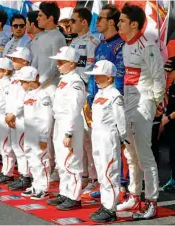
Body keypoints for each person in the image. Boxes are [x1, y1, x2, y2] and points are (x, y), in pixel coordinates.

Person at [116, 4, 166, 220]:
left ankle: (152, 202)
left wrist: (154, 103)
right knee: (130, 154)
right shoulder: (126, 45)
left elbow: (159, 77)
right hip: (128, 103)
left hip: (143, 103)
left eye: (122, 21)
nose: (118, 24)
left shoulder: (149, 45)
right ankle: (135, 196)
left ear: (134, 24)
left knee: (145, 155)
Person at [84, 60, 127, 223]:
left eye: (99, 76)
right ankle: (105, 203)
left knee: (110, 172)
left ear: (109, 78)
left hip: (109, 136)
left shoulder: (114, 95)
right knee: (101, 172)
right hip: (97, 134)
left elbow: (120, 119)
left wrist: (123, 138)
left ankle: (111, 208)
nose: (95, 79)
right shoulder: (100, 93)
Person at [47, 46, 85, 211]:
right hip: (60, 121)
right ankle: (65, 192)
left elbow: (74, 109)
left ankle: (74, 197)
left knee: (71, 162)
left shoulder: (75, 81)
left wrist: (69, 132)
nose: (57, 65)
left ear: (71, 63)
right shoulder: (65, 79)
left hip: (70, 123)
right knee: (62, 162)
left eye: (61, 62)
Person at [69, 7, 100, 197]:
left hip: (85, 93)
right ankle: (85, 176)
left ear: (84, 23)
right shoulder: (73, 42)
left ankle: (95, 179)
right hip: (73, 92)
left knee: (90, 139)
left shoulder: (92, 41)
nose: (70, 24)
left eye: (73, 21)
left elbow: (89, 72)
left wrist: (88, 96)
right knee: (79, 138)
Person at [19, 66, 56, 200]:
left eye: (22, 81)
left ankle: (43, 188)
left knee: (42, 160)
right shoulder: (28, 94)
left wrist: (44, 137)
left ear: (31, 81)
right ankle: (36, 185)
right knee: (32, 159)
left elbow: (46, 118)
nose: (21, 84)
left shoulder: (43, 95)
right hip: (29, 133)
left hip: (40, 133)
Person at [5, 47, 33, 190]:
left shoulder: (28, 74)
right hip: (13, 116)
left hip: (22, 116)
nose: (12, 61)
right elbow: (11, 97)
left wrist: (14, 113)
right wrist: (8, 113)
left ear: (24, 60)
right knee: (16, 146)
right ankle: (23, 174)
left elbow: (24, 97)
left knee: (23, 147)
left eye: (15, 59)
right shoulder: (16, 75)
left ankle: (26, 176)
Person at [30, 2, 66, 85]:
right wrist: (30, 79)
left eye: (40, 16)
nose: (37, 19)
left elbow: (56, 67)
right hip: (37, 86)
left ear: (50, 18)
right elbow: (35, 61)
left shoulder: (58, 38)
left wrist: (39, 83)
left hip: (51, 86)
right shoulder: (41, 37)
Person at [162, 57, 175, 193]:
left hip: (171, 121)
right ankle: (173, 178)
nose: (168, 74)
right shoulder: (171, 85)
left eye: (171, 71)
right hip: (171, 126)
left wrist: (169, 117)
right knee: (172, 154)